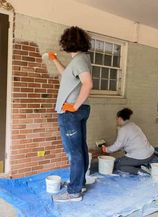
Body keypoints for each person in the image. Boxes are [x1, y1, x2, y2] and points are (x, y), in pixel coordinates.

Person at [48, 26, 93, 202]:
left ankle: (74, 192)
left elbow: (88, 84)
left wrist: (74, 106)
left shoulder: (80, 60)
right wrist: (55, 60)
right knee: (80, 148)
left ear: (66, 43)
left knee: (74, 152)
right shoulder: (80, 60)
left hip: (71, 113)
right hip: (79, 111)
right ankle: (79, 183)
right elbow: (69, 75)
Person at [102, 108, 155, 175]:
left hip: (141, 157)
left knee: (118, 164)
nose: (116, 120)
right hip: (150, 154)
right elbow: (127, 142)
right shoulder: (133, 125)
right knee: (122, 160)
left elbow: (117, 145)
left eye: (116, 118)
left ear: (120, 118)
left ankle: (141, 171)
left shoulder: (123, 129)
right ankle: (142, 165)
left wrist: (106, 149)